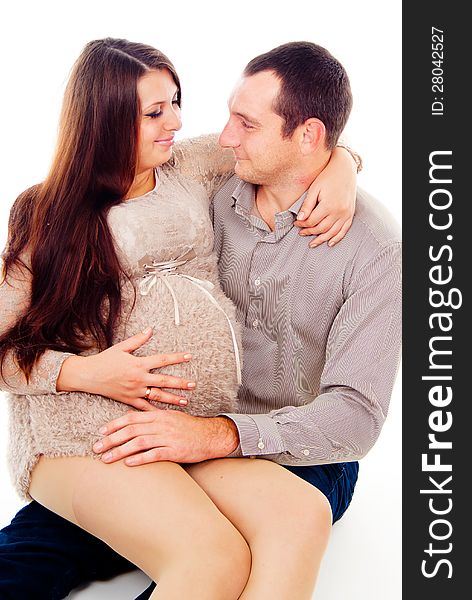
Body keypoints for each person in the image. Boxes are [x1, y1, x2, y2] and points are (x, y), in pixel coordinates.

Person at [0, 38, 362, 599]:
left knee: (302, 513)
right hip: (88, 428)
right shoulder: (45, 213)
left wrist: (343, 166)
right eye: (154, 112)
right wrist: (86, 373)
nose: (176, 121)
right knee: (213, 558)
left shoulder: (189, 167)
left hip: (187, 426)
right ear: (104, 120)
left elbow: (292, 147)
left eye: (176, 102)